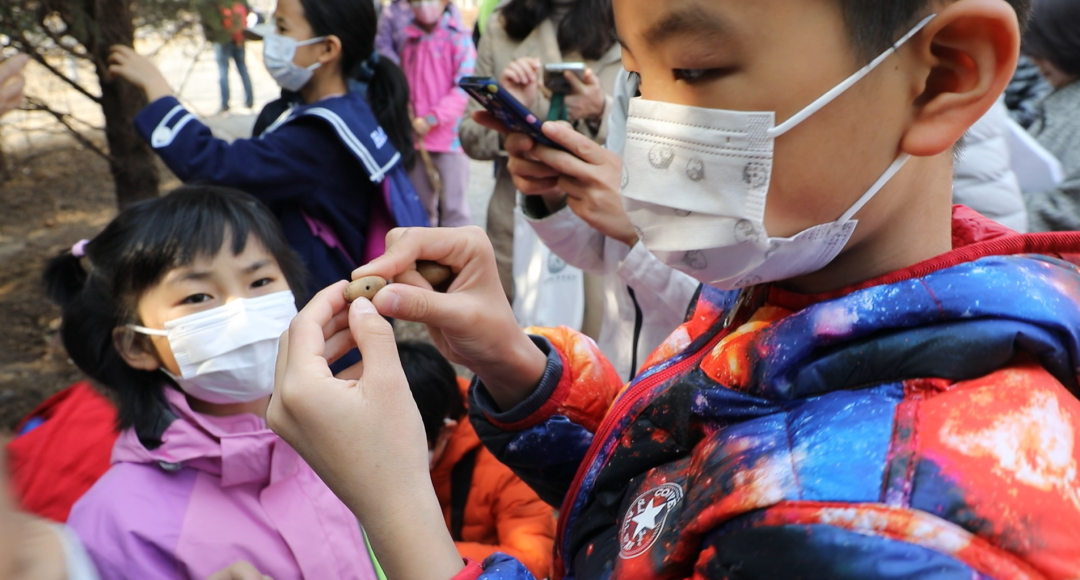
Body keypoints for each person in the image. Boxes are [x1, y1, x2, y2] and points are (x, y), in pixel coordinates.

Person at [269, 0, 1080, 578]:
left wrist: (398, 509)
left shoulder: (888, 529)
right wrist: (515, 365)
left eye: (695, 69)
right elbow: (670, 501)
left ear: (944, 74)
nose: (652, 123)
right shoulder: (780, 277)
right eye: (637, 76)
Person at [53, 186, 380, 579]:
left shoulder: (342, 441)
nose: (241, 313)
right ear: (137, 345)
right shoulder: (117, 525)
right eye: (197, 296)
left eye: (260, 281)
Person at [106, 0, 429, 302]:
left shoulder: (317, 137)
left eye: (283, 28)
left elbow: (215, 165)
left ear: (327, 48)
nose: (271, 37)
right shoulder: (350, 109)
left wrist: (159, 92)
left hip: (324, 305)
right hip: (344, 292)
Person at [459, 0, 622, 301]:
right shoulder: (502, 26)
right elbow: (470, 135)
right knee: (511, 318)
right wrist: (510, 110)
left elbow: (650, 139)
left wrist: (600, 111)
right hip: (517, 212)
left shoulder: (624, 22)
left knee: (584, 324)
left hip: (597, 224)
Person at [399, 342, 555, 579]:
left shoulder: (507, 464)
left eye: (405, 449)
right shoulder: (422, 408)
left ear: (445, 432)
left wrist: (426, 555)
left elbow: (536, 560)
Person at [400, 0, 476, 227]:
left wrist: (432, 118)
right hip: (418, 140)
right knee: (420, 212)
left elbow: (464, 88)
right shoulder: (410, 39)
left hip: (450, 140)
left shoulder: (459, 38)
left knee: (454, 211)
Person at [1020, 0, 1080, 232]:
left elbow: (1069, 211)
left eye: (1041, 49)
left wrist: (1003, 204)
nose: (1033, 60)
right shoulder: (1060, 97)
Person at [201, 0, 255, 113]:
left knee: (223, 71)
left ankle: (224, 103)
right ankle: (249, 100)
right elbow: (248, 10)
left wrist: (211, 35)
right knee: (242, 69)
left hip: (223, 39)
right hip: (239, 38)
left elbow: (209, 16)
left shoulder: (217, 3)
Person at [375, 0, 463, 66]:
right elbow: (382, 44)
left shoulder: (451, 12)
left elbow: (463, 66)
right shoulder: (409, 42)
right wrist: (400, 69)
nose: (423, 5)